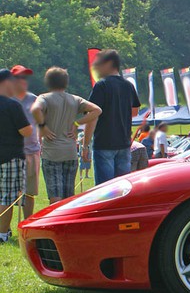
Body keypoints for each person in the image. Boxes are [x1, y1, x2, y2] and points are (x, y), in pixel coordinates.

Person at [31, 67, 102, 204]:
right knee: (69, 196)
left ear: (48, 82)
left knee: (55, 195)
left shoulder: (44, 98)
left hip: (51, 153)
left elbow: (35, 109)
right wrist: (77, 123)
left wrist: (42, 126)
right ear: (66, 82)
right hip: (70, 152)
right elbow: (97, 110)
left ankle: (57, 217)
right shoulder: (75, 99)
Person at [85, 49, 141, 185]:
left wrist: (85, 145)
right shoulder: (128, 85)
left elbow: (92, 116)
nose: (97, 68)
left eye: (99, 64)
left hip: (104, 143)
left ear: (109, 64)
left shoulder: (101, 85)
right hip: (124, 143)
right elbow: (135, 111)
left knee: (105, 189)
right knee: (122, 188)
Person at [0, 69, 33, 243]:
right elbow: (26, 131)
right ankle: (2, 234)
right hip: (11, 157)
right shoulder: (12, 105)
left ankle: (4, 230)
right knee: (8, 196)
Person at [10, 65, 40, 219]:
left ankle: (26, 224)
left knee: (29, 193)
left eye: (25, 77)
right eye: (19, 77)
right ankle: (5, 228)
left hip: (32, 152)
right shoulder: (5, 100)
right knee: (8, 194)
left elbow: (41, 124)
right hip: (11, 153)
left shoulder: (34, 99)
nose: (23, 80)